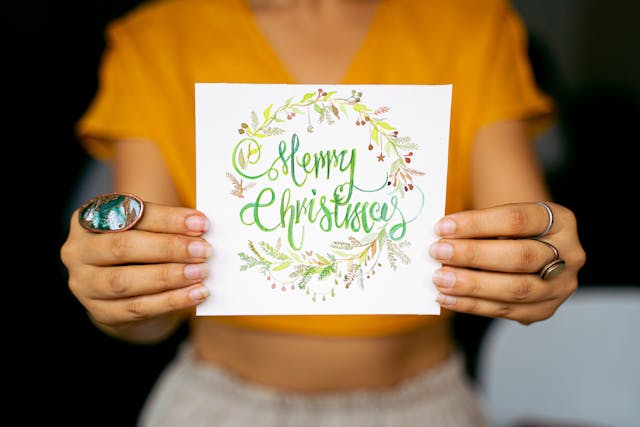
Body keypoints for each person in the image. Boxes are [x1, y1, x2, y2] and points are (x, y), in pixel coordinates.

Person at [61, 0, 586, 425]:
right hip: (217, 408)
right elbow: (150, 314)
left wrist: (536, 266)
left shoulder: (474, 22)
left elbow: (525, 249)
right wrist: (117, 294)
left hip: (427, 408)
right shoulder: (156, 39)